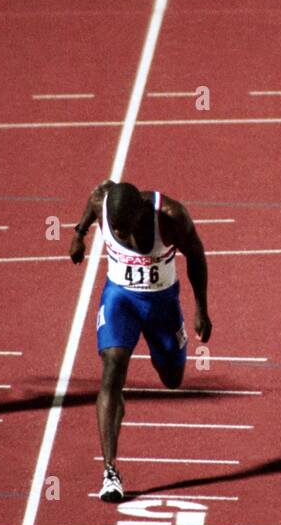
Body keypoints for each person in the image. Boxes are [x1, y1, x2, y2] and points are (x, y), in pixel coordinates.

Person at [70, 180, 211, 502]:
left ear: (141, 212)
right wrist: (78, 234)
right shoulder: (101, 202)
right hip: (120, 299)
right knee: (112, 370)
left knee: (173, 379)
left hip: (162, 303)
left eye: (124, 227)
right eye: (114, 229)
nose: (120, 233)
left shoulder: (172, 216)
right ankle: (110, 470)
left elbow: (198, 257)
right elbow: (92, 206)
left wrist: (201, 310)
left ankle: (155, 355)